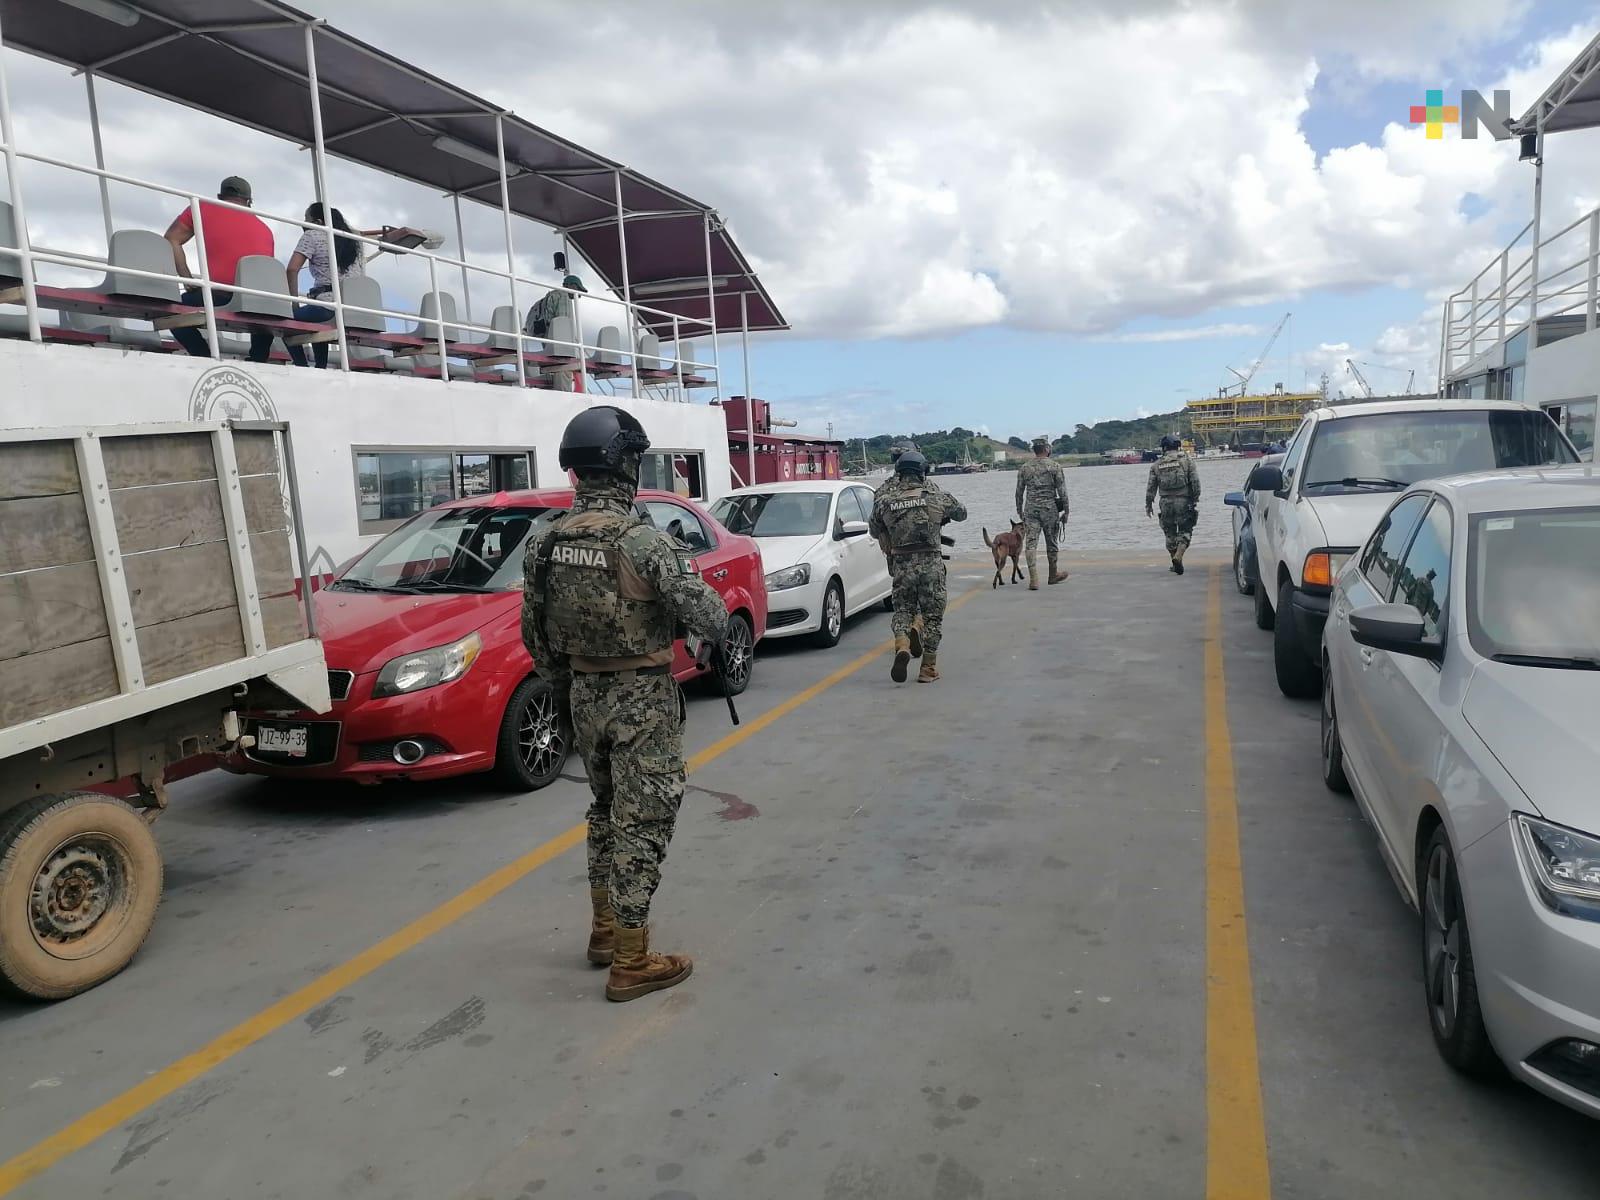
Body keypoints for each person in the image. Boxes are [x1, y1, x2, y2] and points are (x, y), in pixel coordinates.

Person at [521, 406, 729, 1003]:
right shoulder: (643, 541)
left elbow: (535, 636)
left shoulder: (545, 543)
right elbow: (710, 614)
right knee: (646, 819)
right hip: (642, 696)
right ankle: (633, 959)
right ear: (625, 465)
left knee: (606, 811)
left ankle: (605, 930)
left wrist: (565, 692)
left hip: (583, 695)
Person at [869, 450, 967, 683]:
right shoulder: (936, 496)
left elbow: (874, 530)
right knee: (932, 618)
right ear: (924, 472)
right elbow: (962, 513)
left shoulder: (884, 502)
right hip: (931, 564)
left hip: (902, 565)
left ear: (899, 473)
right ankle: (928, 669)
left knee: (903, 611)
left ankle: (902, 643)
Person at [162, 176, 275, 361]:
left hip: (223, 296)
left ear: (220, 196)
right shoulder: (265, 229)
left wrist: (187, 280)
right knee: (262, 314)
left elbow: (171, 239)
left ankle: (205, 357)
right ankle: (259, 359)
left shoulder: (202, 207)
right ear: (249, 201)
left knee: (172, 310)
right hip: (260, 301)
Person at [285, 204, 385, 368]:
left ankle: (301, 366)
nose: (304, 224)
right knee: (318, 317)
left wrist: (294, 303)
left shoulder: (312, 234)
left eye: (306, 220)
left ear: (317, 221)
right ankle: (320, 367)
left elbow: (292, 269)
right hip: (355, 308)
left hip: (329, 306)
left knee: (285, 320)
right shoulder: (354, 242)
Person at [1014, 436, 1069, 589]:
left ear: (1034, 450)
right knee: (1051, 543)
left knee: (1031, 544)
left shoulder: (1025, 468)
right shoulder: (1055, 466)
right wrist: (1067, 512)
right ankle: (1053, 575)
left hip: (1030, 510)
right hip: (1050, 510)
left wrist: (1020, 511)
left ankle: (1034, 579)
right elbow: (1063, 492)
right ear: (1046, 449)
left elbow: (1019, 493)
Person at [1146, 433, 1201, 574]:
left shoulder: (1157, 465)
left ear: (1164, 448)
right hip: (1183, 501)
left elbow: (1151, 487)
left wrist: (1148, 505)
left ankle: (1175, 561)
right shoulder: (1187, 460)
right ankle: (1179, 555)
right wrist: (1195, 498)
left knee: (1169, 533)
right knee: (1185, 530)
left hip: (1165, 503)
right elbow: (1195, 481)